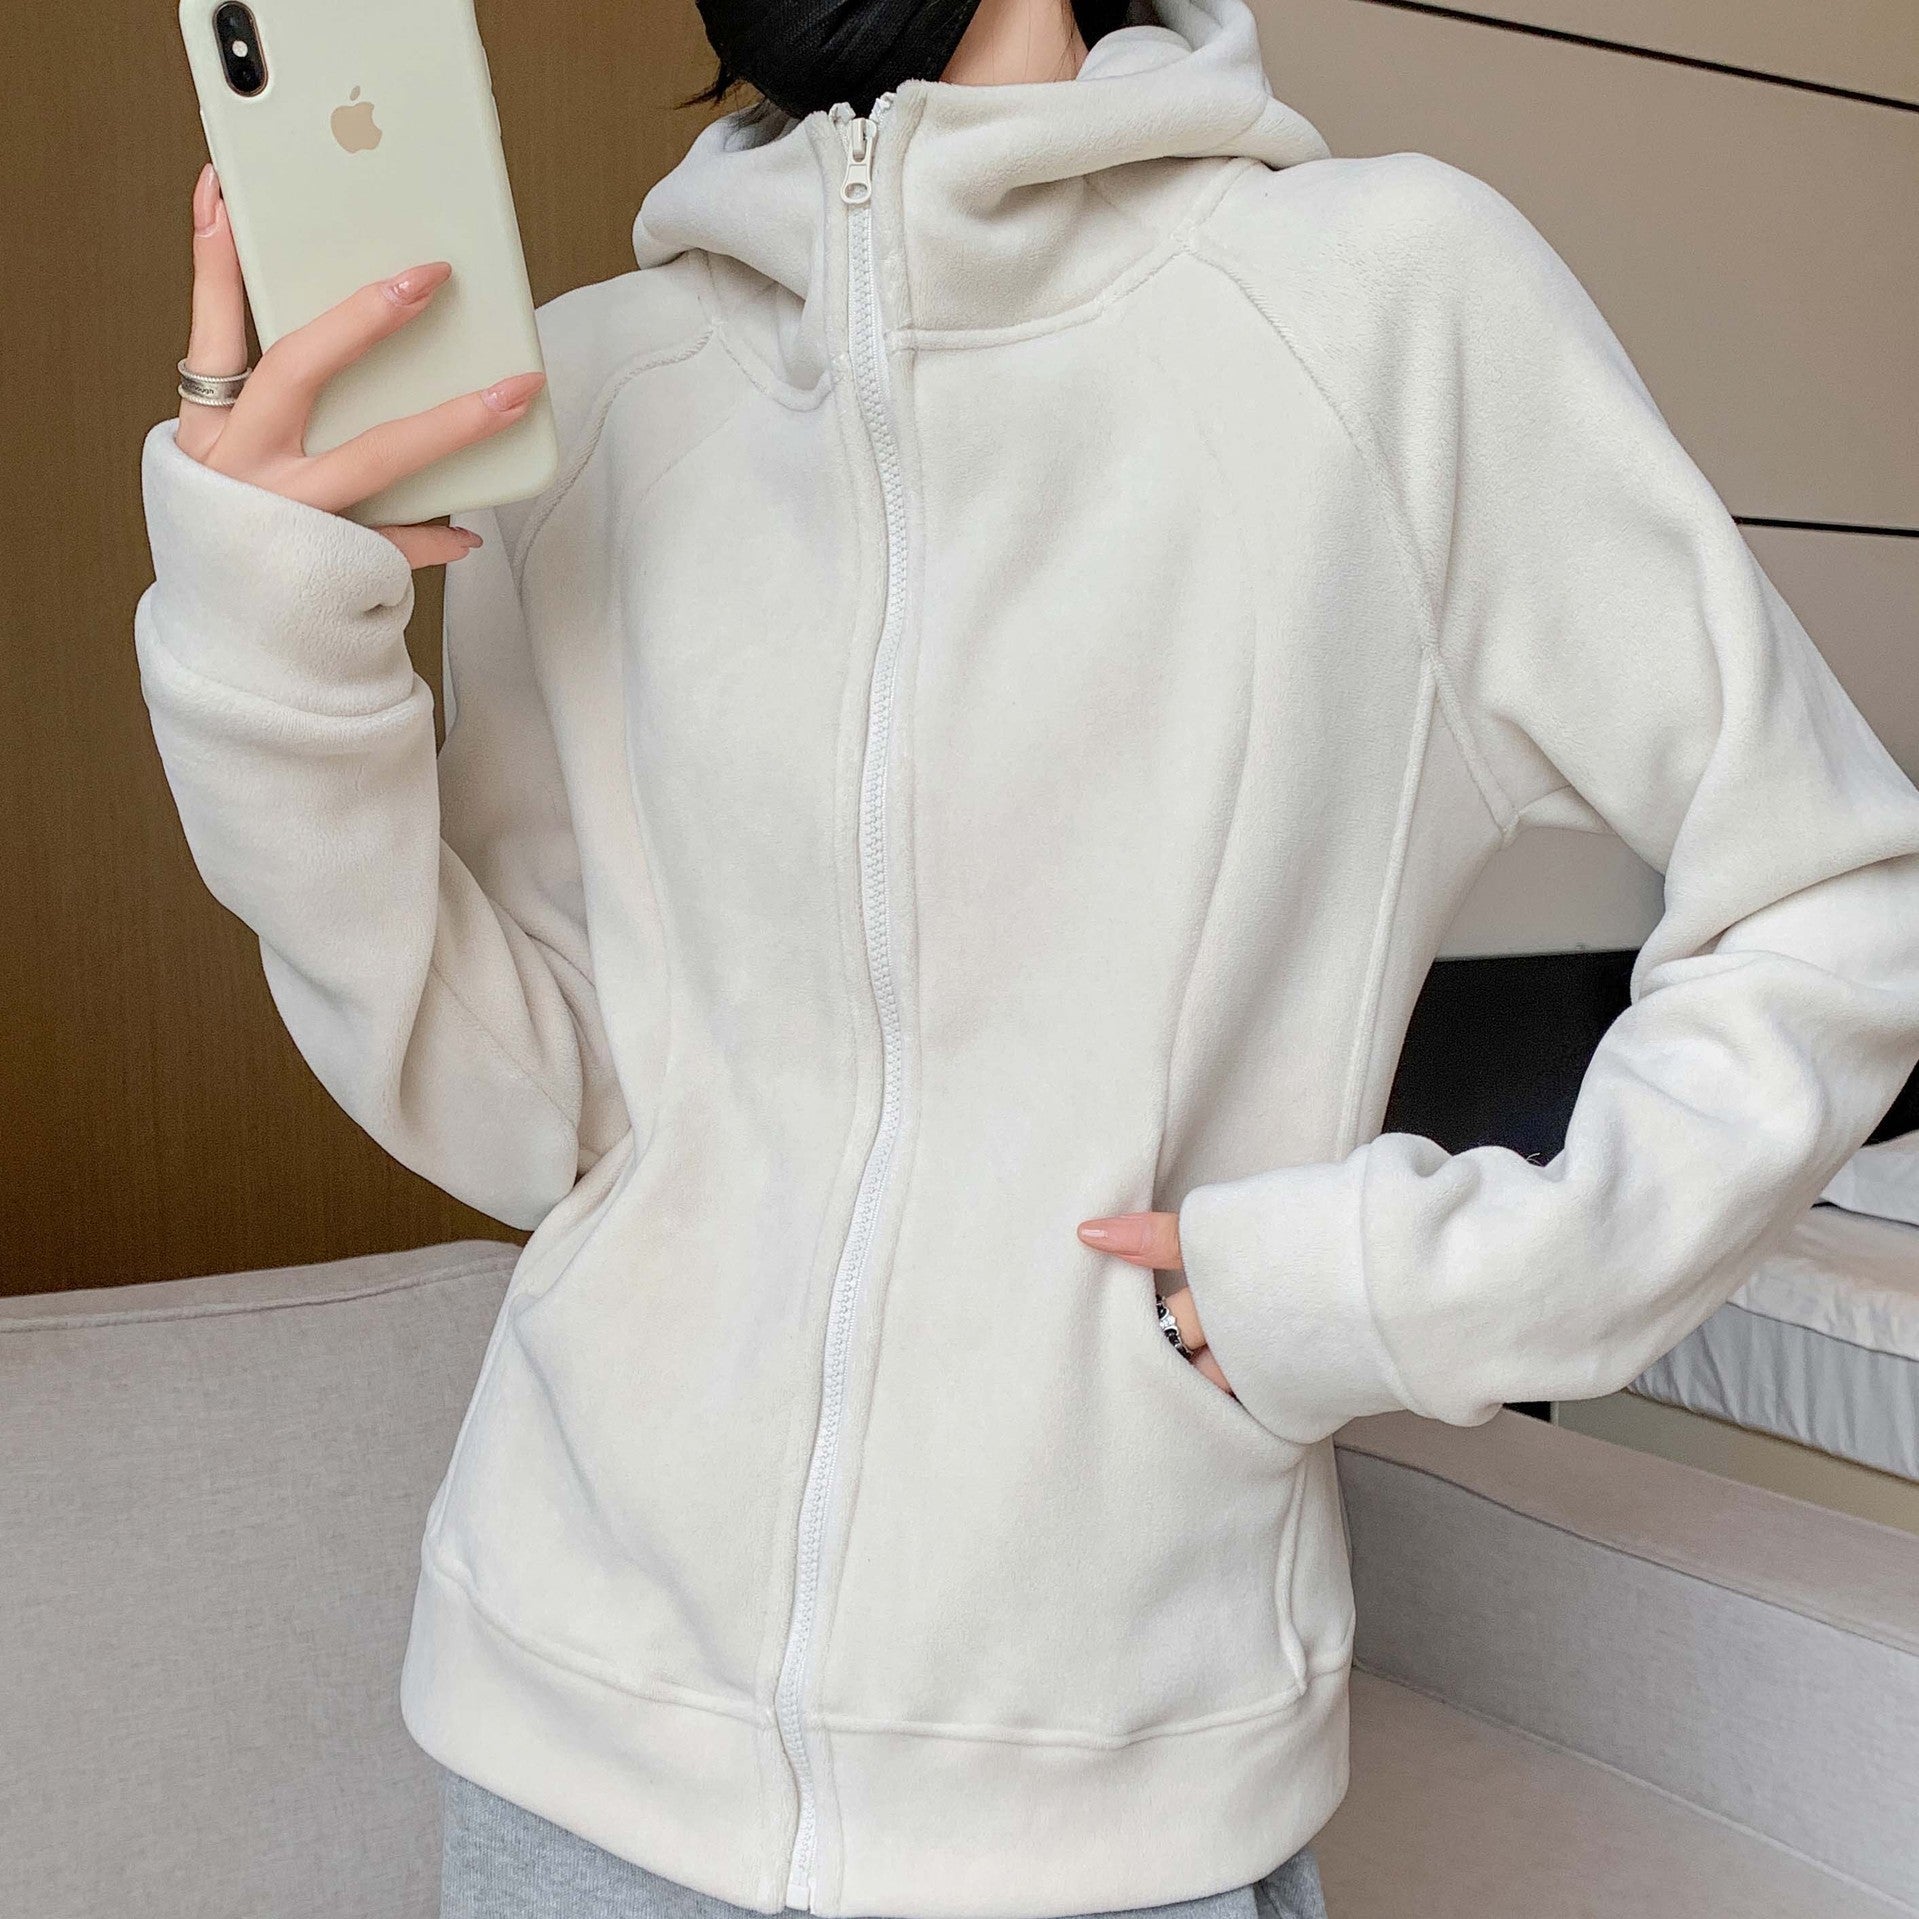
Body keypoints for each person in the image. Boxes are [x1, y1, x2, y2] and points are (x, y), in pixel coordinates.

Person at [133, 0, 1919, 1912]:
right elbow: (535, 1109)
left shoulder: (1383, 306)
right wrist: (270, 640)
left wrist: (1383, 1290)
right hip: (567, 1751)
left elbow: (1835, 895)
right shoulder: (590, 393)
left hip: (1109, 1798)